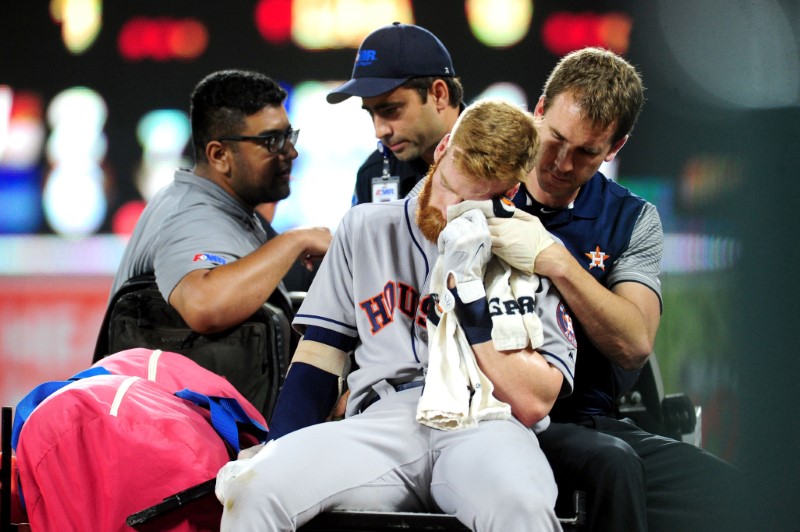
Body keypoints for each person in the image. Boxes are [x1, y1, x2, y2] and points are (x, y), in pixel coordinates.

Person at [215, 99, 578, 530]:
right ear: (443, 150)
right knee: (255, 488)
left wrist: (471, 296)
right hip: (384, 422)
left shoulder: (532, 252)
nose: (448, 210)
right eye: (449, 188)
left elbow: (535, 403)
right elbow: (319, 356)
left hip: (486, 422)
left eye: (470, 203)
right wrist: (279, 447)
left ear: (509, 193)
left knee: (522, 506)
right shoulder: (366, 227)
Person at [487, 47, 741, 531]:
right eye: (556, 138)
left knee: (744, 500)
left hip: (587, 419)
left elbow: (634, 344)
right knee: (613, 464)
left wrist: (559, 262)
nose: (561, 162)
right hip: (491, 413)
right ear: (538, 111)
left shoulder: (632, 219)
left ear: (615, 148)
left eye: (587, 152)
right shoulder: (483, 179)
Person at [109, 69, 331, 331]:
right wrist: (295, 240)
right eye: (272, 141)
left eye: (288, 136)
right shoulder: (192, 215)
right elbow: (203, 306)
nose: (291, 152)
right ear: (219, 155)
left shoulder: (216, 205)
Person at [327, 22, 463, 204]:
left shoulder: (508, 158)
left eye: (391, 110)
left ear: (438, 95)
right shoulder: (373, 173)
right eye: (370, 113)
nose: (379, 132)